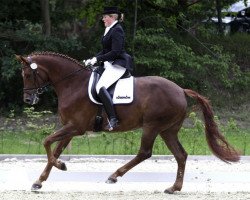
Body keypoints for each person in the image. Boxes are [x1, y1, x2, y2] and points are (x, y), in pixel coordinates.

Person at [84, 6, 133, 131]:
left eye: (105, 17)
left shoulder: (117, 30)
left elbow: (115, 52)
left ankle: (113, 118)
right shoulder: (109, 29)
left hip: (118, 64)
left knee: (100, 87)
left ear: (112, 17)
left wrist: (98, 59)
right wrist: (93, 58)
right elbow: (106, 50)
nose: (103, 19)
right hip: (109, 64)